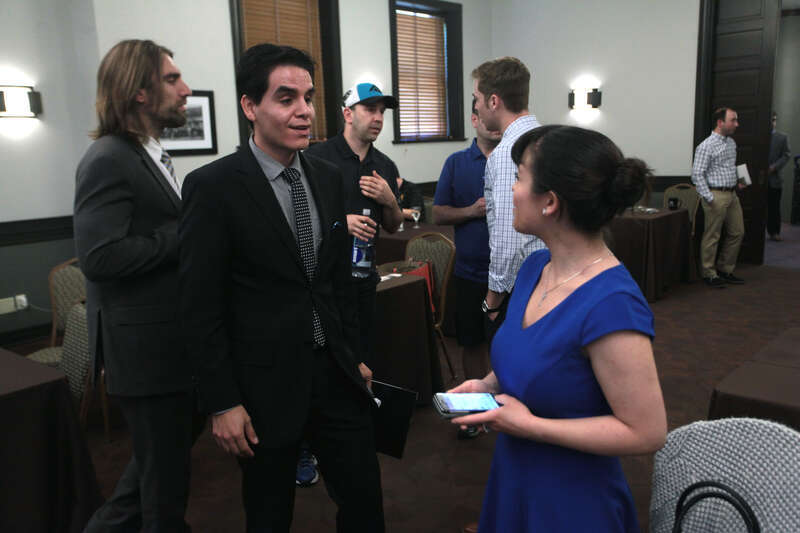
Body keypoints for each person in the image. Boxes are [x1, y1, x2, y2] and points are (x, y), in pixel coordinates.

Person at [179, 43, 384, 532]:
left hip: (335, 374)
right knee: (269, 514)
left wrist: (351, 352)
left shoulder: (329, 177)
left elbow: (336, 281)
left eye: (309, 98)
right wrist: (223, 401)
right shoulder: (213, 186)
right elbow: (199, 305)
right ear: (251, 107)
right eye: (286, 98)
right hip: (263, 386)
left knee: (365, 503)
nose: (304, 112)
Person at [448, 125, 667, 532]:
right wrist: (488, 386)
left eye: (518, 179)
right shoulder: (534, 269)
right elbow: (535, 357)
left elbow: (646, 432)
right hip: (516, 476)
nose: (509, 191)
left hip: (573, 501)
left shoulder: (612, 303)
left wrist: (529, 426)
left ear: (549, 202)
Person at [74, 39, 205, 531]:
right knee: (162, 487)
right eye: (172, 79)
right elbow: (99, 257)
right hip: (144, 355)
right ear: (139, 92)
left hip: (167, 347)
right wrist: (181, 235)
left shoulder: (147, 153)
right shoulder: (108, 157)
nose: (185, 89)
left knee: (152, 476)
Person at [305, 81, 403, 367]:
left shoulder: (384, 165)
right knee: (330, 362)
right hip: (325, 282)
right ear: (348, 114)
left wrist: (390, 201)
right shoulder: (316, 159)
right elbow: (299, 219)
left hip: (364, 279)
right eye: (370, 109)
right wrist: (339, 222)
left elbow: (393, 226)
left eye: (382, 112)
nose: (378, 118)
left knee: (364, 358)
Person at [433, 98, 501, 437]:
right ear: (474, 119)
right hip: (470, 273)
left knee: (508, 345)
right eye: (483, 117)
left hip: (510, 275)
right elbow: (438, 213)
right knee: (472, 343)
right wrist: (471, 212)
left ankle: (508, 407)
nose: (491, 123)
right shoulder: (457, 163)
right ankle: (476, 410)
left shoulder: (515, 160)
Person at [471, 57, 544, 338]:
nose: (475, 105)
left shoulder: (507, 154)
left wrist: (493, 297)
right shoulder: (547, 139)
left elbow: (508, 235)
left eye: (477, 98)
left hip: (523, 288)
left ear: (493, 101)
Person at [691, 107, 746, 287]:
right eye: (733, 120)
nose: (736, 124)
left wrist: (741, 180)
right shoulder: (706, 146)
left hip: (732, 194)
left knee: (737, 232)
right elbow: (697, 174)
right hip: (715, 195)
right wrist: (709, 198)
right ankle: (708, 273)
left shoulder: (731, 143)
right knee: (712, 236)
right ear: (720, 122)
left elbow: (731, 166)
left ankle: (725, 269)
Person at [767, 112, 791, 241]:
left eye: (774, 120)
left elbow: (786, 155)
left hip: (774, 179)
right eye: (770, 120)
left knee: (774, 207)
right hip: (757, 178)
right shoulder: (758, 136)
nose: (772, 122)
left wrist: (774, 167)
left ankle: (774, 232)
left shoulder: (782, 137)